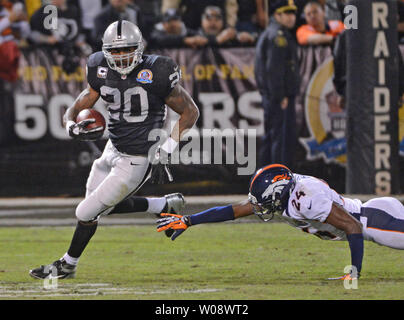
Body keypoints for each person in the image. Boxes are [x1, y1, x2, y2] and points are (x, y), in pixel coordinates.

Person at [29, 20, 200, 280]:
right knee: (97, 207)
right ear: (106, 51)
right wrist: (70, 125)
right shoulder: (98, 66)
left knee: (85, 212)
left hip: (138, 157)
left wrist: (165, 149)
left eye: (127, 49)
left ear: (139, 47)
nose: (121, 56)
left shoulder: (158, 71)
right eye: (115, 51)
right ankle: (164, 204)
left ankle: (67, 265)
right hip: (113, 147)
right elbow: (79, 103)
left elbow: (190, 112)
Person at [157, 163, 404, 280]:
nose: (260, 208)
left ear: (279, 192)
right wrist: (189, 220)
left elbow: (353, 226)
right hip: (373, 216)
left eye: (264, 202)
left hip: (373, 221)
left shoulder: (306, 198)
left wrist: (354, 272)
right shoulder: (286, 192)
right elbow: (234, 211)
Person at [254, 0, 300, 169]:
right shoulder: (278, 37)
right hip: (279, 97)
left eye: (293, 13)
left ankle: (266, 176)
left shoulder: (274, 33)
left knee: (273, 137)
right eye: (287, 13)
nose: (291, 17)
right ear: (277, 15)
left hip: (274, 95)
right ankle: (277, 179)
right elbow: (274, 69)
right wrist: (280, 95)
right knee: (280, 139)